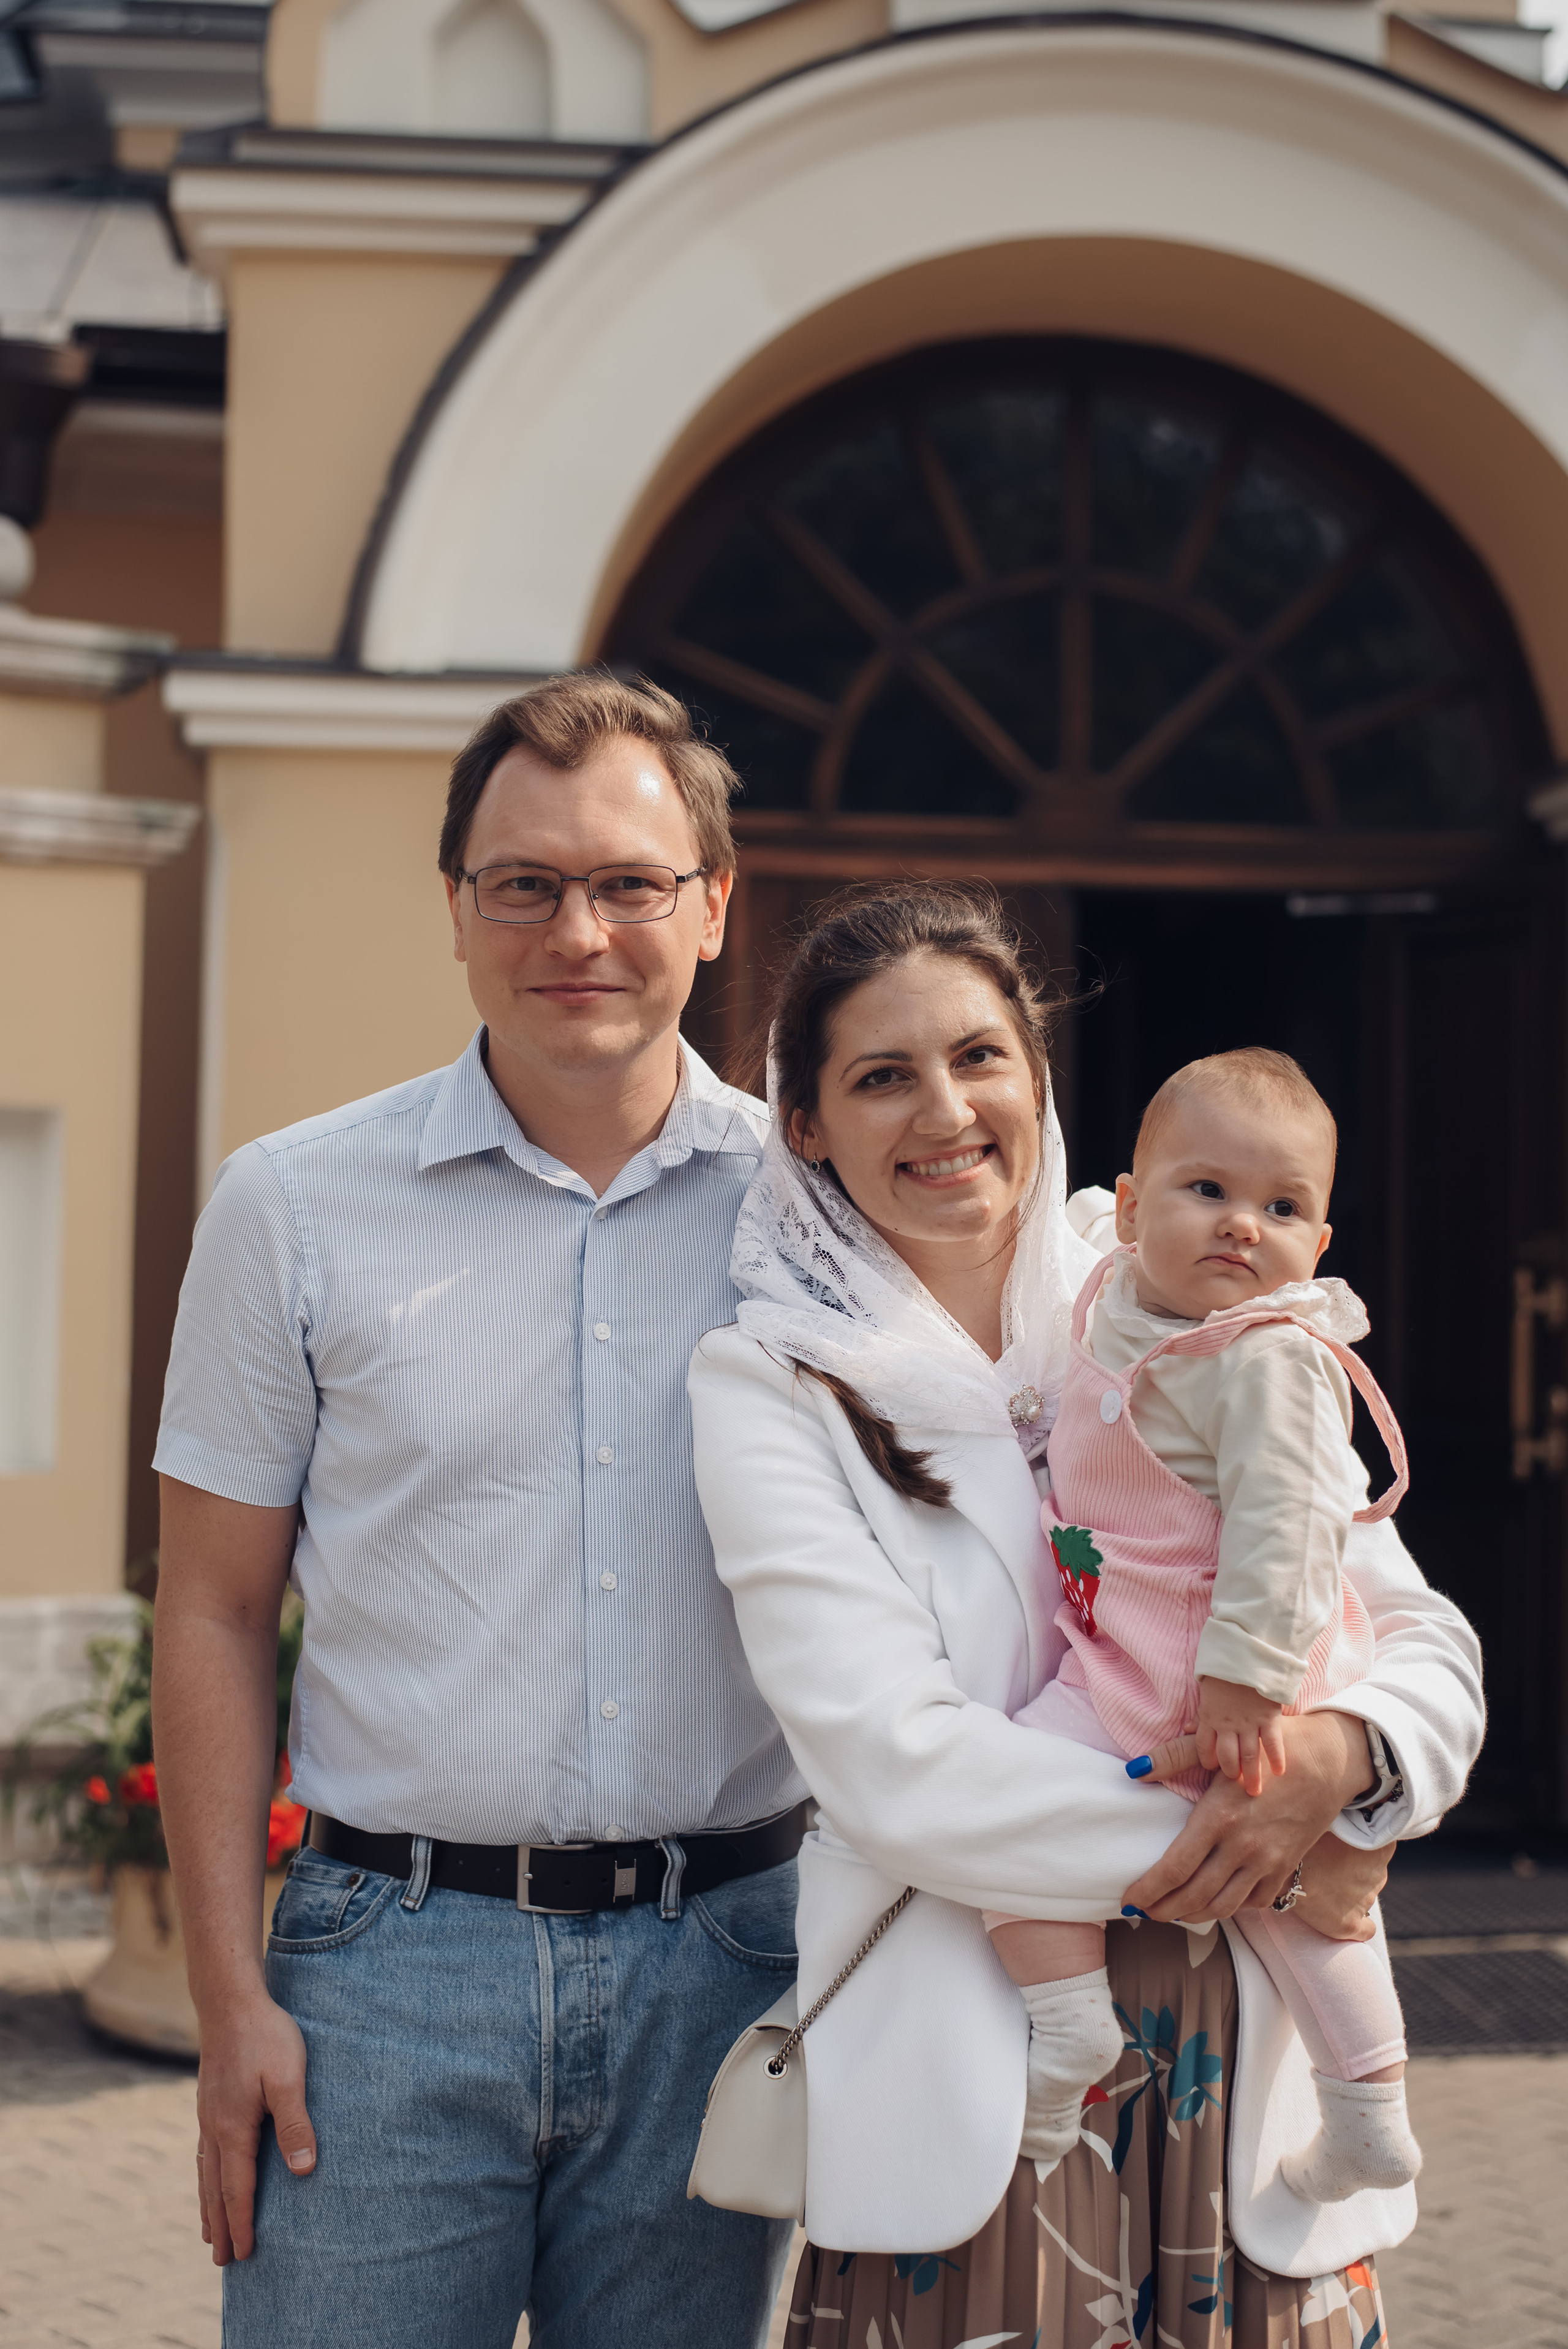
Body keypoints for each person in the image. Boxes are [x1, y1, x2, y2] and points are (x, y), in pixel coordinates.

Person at [689, 883, 1483, 2348]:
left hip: (1250, 2071)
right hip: (985, 2083)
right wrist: (1284, 1843)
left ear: (1036, 1079)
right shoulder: (775, 1382)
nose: (945, 1110)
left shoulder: (1181, 1299)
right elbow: (897, 1769)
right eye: (880, 1076)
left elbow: (1417, 1644)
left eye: (979, 1056)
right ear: (803, 1124)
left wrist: (1346, 1764)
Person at [149, 675, 812, 2349]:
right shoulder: (293, 1206)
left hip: (726, 1968)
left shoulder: (814, 1220)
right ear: (457, 908)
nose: (575, 928)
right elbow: (214, 1611)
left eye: (628, 883)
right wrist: (231, 2001)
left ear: (714, 905)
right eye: (523, 882)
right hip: (384, 1976)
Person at [987, 1046, 1422, 2206]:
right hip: (1126, 1653)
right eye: (1207, 1191)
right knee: (1001, 1796)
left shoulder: (1271, 1355)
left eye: (1284, 1207)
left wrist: (1250, 1681)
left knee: (1302, 1887)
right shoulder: (1109, 1306)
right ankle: (1070, 2018)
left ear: (1318, 1247)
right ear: (1127, 1211)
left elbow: (1291, 1527)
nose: (1243, 1226)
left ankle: (1372, 2109)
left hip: (1231, 1674)